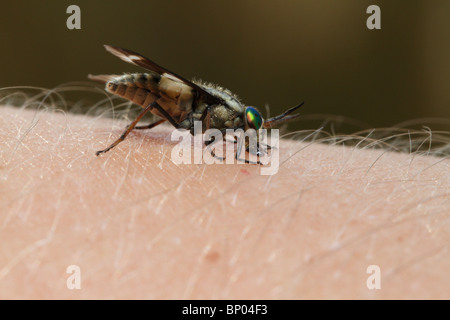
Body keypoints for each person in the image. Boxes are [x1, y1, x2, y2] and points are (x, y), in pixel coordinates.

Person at [0, 104, 448, 299]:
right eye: (254, 122)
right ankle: (123, 136)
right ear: (241, 116)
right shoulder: (222, 113)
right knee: (159, 103)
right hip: (167, 96)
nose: (255, 125)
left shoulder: (232, 121)